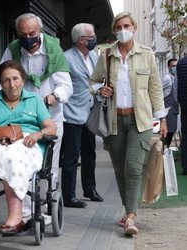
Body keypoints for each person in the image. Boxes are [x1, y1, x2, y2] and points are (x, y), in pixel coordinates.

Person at [90, 12, 167, 235]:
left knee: (133, 167)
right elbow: (92, 82)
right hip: (114, 121)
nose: (123, 29)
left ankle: (131, 217)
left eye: (127, 25)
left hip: (140, 120)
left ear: (134, 28)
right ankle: (127, 210)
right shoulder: (106, 55)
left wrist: (162, 118)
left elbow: (155, 87)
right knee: (120, 169)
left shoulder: (146, 54)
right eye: (119, 26)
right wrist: (99, 89)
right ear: (115, 30)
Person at [0, 13, 72, 219]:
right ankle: (26, 212)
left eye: (33, 33)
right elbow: (0, 79)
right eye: (24, 34)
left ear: (40, 31)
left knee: (49, 166)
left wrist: (55, 96)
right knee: (23, 164)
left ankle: (47, 207)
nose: (29, 38)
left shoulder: (54, 50)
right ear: (18, 34)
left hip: (49, 118)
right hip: (21, 120)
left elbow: (66, 86)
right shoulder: (13, 50)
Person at [0, 60, 57, 234]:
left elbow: (51, 127)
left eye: (15, 78)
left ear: (23, 80)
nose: (11, 84)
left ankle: (16, 218)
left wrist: (38, 134)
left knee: (14, 157)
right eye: (6, 80)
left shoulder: (34, 100)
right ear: (1, 83)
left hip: (26, 142)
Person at [60, 23, 103, 208]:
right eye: (91, 36)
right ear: (81, 40)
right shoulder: (66, 58)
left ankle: (90, 189)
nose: (94, 39)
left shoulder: (94, 56)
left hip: (90, 111)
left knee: (89, 153)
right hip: (72, 113)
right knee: (71, 156)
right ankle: (68, 195)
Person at [161, 58, 179, 147]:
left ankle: (165, 153)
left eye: (177, 66)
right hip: (168, 110)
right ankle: (162, 154)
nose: (175, 68)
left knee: (172, 132)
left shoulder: (175, 77)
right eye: (173, 66)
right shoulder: (167, 78)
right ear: (169, 67)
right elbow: (158, 90)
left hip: (175, 109)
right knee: (168, 134)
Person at [176, 53, 187, 175]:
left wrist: (179, 101)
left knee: (185, 133)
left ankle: (185, 166)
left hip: (184, 103)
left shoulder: (180, 63)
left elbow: (175, 86)